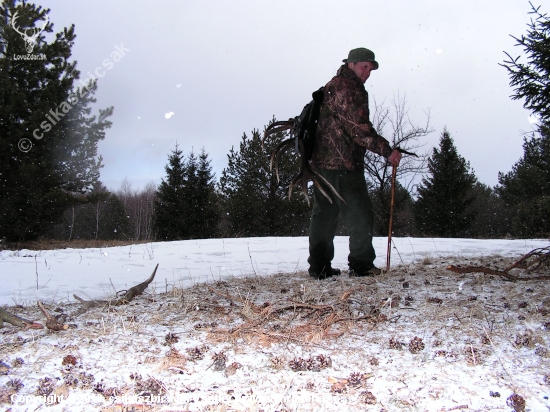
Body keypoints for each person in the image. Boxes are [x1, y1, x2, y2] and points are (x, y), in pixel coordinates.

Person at [308, 47, 402, 279]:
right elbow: (359, 130)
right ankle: (361, 265)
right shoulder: (349, 88)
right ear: (351, 64)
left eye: (370, 69)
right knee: (360, 213)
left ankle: (319, 266)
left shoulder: (333, 84)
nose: (367, 72)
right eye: (364, 67)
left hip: (322, 164)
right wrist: (387, 151)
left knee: (325, 214)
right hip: (342, 164)